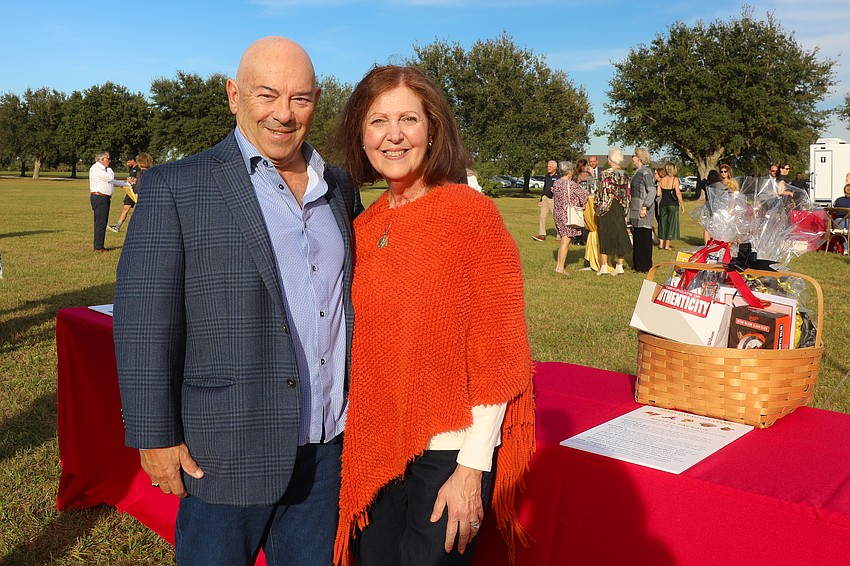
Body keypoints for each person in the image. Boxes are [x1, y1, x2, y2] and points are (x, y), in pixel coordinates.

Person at [113, 37, 362, 566]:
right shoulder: (176, 187)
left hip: (327, 448)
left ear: (317, 101)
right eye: (266, 95)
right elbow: (144, 323)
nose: (283, 114)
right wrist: (154, 435)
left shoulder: (339, 187)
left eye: (300, 99)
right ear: (233, 95)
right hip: (224, 448)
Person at [329, 65, 535, 566]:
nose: (393, 136)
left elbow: (496, 351)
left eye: (409, 120)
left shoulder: (471, 214)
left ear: (433, 130)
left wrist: (472, 468)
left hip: (449, 451)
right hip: (376, 442)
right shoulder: (365, 225)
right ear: (361, 133)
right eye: (378, 121)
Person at [596, 148, 631, 275]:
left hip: (607, 207)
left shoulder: (605, 174)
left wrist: (598, 206)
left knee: (605, 235)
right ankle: (620, 265)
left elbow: (601, 192)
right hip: (620, 206)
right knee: (621, 234)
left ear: (610, 159)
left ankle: (604, 266)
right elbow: (627, 193)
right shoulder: (625, 174)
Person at [88, 151, 130, 252]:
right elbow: (110, 177)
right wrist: (110, 169)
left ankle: (99, 245)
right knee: (100, 222)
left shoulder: (104, 170)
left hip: (104, 198)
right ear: (102, 159)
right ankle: (98, 247)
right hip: (99, 198)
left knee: (102, 221)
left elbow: (113, 182)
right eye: (108, 159)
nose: (110, 161)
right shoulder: (96, 168)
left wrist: (127, 183)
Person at [553, 160, 589, 273]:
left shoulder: (556, 183)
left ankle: (559, 265)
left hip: (558, 213)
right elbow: (583, 197)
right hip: (567, 214)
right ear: (569, 171)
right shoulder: (571, 184)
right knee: (566, 240)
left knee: (563, 239)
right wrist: (586, 194)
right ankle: (560, 268)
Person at [628, 147, 656, 273]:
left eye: (633, 155)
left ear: (638, 157)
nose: (632, 158)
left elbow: (652, 190)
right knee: (638, 236)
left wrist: (645, 206)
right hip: (635, 208)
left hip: (643, 209)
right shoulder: (638, 171)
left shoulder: (646, 172)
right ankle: (637, 264)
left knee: (644, 237)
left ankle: (645, 266)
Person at [108, 154, 141, 233]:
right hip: (130, 191)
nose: (127, 164)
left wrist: (133, 181)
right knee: (125, 208)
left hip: (137, 191)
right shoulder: (130, 169)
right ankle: (117, 227)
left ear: (133, 160)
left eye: (128, 162)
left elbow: (139, 180)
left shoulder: (139, 168)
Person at [657, 163, 685, 250]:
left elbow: (658, 194)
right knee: (671, 224)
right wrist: (682, 204)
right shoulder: (675, 180)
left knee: (662, 223)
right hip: (672, 204)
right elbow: (678, 193)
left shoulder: (661, 180)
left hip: (663, 204)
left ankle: (661, 244)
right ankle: (667, 245)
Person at [532, 159, 558, 241]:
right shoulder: (547, 175)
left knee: (557, 218)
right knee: (542, 216)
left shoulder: (559, 176)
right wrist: (541, 199)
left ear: (555, 167)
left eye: (550, 166)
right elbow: (545, 187)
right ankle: (541, 235)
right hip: (545, 198)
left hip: (554, 199)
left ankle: (560, 235)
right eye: (548, 166)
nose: (548, 168)